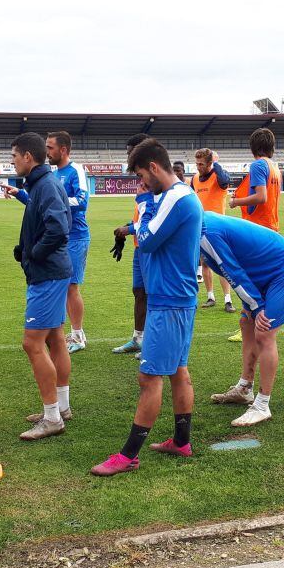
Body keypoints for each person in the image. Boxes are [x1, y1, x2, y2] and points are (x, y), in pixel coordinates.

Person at [92, 139, 202, 476]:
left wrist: (143, 199)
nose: (142, 183)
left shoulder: (176, 197)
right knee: (177, 371)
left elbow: (149, 238)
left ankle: (128, 456)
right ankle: (181, 442)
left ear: (154, 168)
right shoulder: (174, 197)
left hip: (169, 299)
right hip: (173, 297)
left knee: (149, 377)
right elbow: (147, 232)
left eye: (142, 175)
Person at [204, 213, 284, 425]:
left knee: (264, 332)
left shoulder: (205, 232)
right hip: (262, 273)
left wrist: (258, 306)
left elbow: (231, 271)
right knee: (246, 323)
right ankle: (244, 388)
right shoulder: (197, 222)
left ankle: (262, 405)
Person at [5, 133, 74, 440]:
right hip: (52, 272)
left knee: (33, 343)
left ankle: (52, 418)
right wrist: (27, 247)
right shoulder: (41, 184)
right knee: (56, 339)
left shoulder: (45, 185)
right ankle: (61, 407)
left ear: (28, 158)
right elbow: (46, 223)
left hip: (47, 274)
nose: (13, 161)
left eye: (14, 157)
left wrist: (34, 253)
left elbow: (59, 229)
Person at [226, 127, 282, 341]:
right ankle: (257, 322)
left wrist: (236, 201)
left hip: (257, 230)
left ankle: (249, 325)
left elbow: (261, 197)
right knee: (261, 279)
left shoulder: (259, 165)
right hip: (270, 227)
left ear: (252, 147)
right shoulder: (274, 167)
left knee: (249, 279)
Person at [47, 131, 92, 353]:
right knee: (65, 286)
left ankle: (78, 336)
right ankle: (74, 333)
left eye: (50, 148)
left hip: (76, 237)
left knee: (72, 287)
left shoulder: (76, 170)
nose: (47, 152)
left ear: (63, 150)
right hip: (61, 237)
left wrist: (57, 201)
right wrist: (19, 193)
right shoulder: (55, 174)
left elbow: (82, 201)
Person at [111, 133, 153, 358]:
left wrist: (131, 229)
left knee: (152, 294)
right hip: (140, 247)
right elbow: (143, 217)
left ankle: (153, 343)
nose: (127, 157)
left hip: (151, 247)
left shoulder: (155, 180)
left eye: (130, 152)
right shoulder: (142, 179)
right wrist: (128, 228)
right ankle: (138, 338)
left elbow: (157, 220)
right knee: (139, 292)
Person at [191, 148, 235, 312]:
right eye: (196, 163)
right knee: (205, 264)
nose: (198, 167)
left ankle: (228, 300)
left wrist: (215, 164)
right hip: (200, 227)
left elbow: (225, 181)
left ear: (210, 163)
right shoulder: (195, 179)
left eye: (201, 164)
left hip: (218, 228)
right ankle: (210, 297)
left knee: (221, 265)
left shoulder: (219, 177)